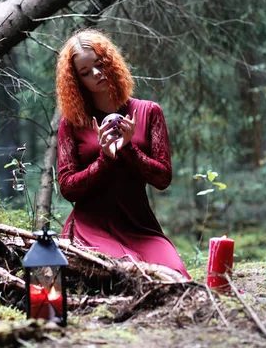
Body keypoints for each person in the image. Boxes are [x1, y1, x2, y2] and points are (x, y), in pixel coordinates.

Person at [55, 28, 190, 280]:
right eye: (85, 72)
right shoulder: (72, 123)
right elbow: (67, 188)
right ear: (77, 82)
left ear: (111, 62)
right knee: (127, 276)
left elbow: (163, 179)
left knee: (176, 277)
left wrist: (129, 148)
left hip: (139, 224)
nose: (96, 74)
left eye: (99, 64)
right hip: (91, 226)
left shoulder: (149, 112)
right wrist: (104, 159)